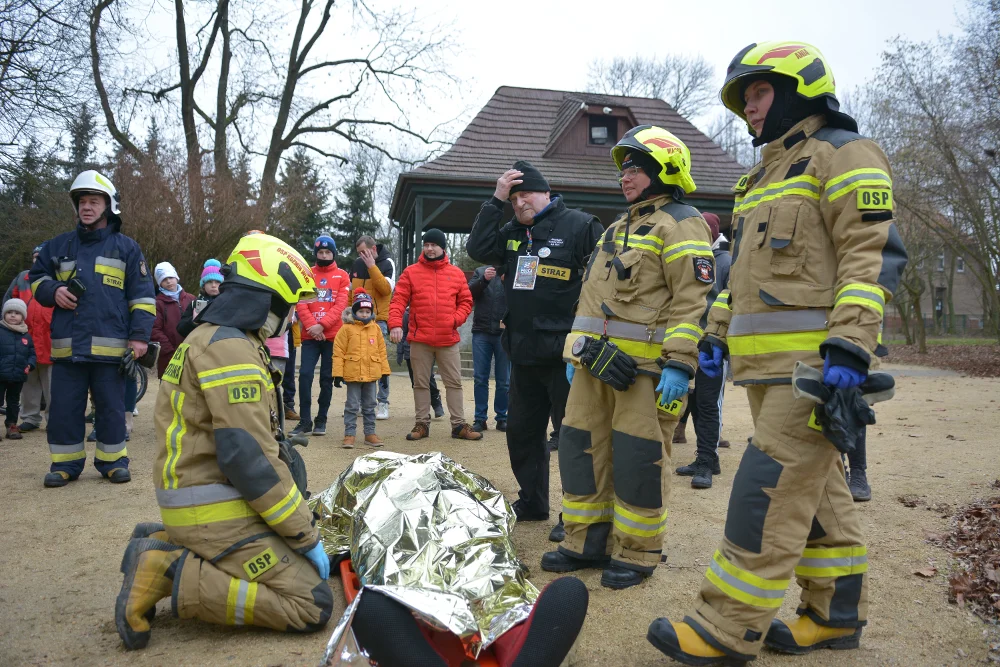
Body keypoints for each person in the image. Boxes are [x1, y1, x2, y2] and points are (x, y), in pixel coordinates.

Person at [647, 41, 908, 664]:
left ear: (799, 89)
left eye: (759, 93)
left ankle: (726, 626)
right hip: (763, 372)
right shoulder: (757, 177)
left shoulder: (846, 154)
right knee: (818, 497)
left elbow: (869, 259)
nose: (750, 109)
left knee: (766, 490)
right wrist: (715, 335)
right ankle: (834, 615)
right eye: (745, 99)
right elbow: (741, 277)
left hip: (817, 371)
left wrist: (849, 348)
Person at [114, 232, 331, 650]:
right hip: (214, 505)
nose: (291, 316)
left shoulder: (214, 336)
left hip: (197, 496)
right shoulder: (232, 347)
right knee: (311, 601)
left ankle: (167, 538)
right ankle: (168, 567)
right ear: (272, 299)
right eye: (290, 304)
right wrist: (305, 536)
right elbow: (248, 459)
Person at [538, 126, 713, 591]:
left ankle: (637, 552)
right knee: (581, 450)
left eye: (635, 167)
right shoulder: (618, 227)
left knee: (639, 461)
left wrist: (679, 363)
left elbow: (692, 300)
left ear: (665, 169)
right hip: (594, 366)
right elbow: (590, 300)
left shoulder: (682, 222)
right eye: (624, 169)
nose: (625, 176)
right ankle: (584, 542)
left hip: (646, 374)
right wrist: (574, 354)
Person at [466, 161, 603, 533]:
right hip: (523, 353)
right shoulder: (512, 232)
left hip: (566, 355)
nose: (519, 203)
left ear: (546, 193)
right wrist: (495, 200)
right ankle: (533, 501)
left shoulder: (579, 225)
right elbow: (477, 248)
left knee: (573, 437)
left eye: (525, 194)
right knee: (523, 434)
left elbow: (604, 284)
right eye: (513, 198)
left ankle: (575, 512)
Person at [29, 170, 155, 487]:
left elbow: (142, 297)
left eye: (93, 201)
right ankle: (65, 463)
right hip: (68, 347)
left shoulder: (127, 248)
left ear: (108, 205)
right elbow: (36, 280)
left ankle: (113, 461)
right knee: (64, 409)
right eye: (82, 201)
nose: (86, 207)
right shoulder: (57, 246)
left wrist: (139, 338)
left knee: (111, 409)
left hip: (111, 350)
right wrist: (53, 291)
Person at [388, 228, 481, 441]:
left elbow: (466, 302)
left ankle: (458, 425)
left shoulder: (456, 273)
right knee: (420, 383)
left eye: (434, 245)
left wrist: (454, 320)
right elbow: (399, 300)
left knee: (454, 383)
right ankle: (422, 424)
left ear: (442, 247)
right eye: (426, 245)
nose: (429, 249)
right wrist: (395, 324)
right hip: (420, 339)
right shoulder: (411, 272)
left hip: (448, 339)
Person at [673, 212, 733, 489]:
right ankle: (704, 458)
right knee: (694, 402)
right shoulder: (690, 257)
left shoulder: (725, 262)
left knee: (709, 403)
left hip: (712, 345)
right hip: (686, 341)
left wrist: (719, 340)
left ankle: (708, 462)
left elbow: (731, 301)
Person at [293, 234, 350, 436]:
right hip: (310, 336)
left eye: (327, 252)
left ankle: (321, 419)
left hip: (332, 335)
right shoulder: (306, 273)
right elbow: (300, 303)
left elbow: (341, 304)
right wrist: (312, 327)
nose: (324, 255)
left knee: (326, 378)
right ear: (316, 253)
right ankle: (305, 420)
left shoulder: (342, 275)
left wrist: (323, 326)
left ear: (333, 253)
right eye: (320, 252)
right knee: (306, 375)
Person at [334, 290, 391, 448]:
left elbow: (382, 351)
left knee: (370, 405)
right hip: (352, 374)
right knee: (352, 405)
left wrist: (385, 372)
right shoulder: (346, 329)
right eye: (361, 311)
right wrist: (337, 374)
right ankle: (349, 434)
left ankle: (370, 433)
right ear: (354, 311)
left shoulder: (376, 329)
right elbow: (338, 352)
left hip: (371, 374)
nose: (364, 314)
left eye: (367, 311)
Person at [7, 245, 54, 434]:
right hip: (26, 338)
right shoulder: (22, 278)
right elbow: (10, 301)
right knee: (28, 384)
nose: (37, 260)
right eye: (35, 256)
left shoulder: (57, 278)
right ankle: (30, 417)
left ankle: (54, 420)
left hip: (51, 339)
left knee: (53, 386)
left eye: (41, 257)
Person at [349, 235, 395, 420]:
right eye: (359, 253)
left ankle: (382, 403)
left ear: (373, 249)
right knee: (360, 361)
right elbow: (350, 292)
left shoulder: (387, 262)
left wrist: (371, 267)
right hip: (357, 320)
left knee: (379, 362)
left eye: (364, 252)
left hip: (379, 320)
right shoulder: (356, 264)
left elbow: (386, 290)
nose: (361, 256)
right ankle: (362, 403)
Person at [467, 264, 509, 433]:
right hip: (481, 331)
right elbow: (469, 293)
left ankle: (502, 418)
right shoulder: (480, 271)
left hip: (504, 332)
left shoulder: (512, 270)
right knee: (479, 378)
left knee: (504, 381)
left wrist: (508, 282)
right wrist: (484, 279)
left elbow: (523, 296)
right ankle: (480, 418)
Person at [397, 306, 445, 419]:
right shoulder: (406, 314)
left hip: (426, 349)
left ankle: (436, 403)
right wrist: (400, 353)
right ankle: (423, 410)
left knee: (428, 378)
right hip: (410, 351)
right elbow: (403, 334)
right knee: (415, 381)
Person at [151, 262, 195, 379]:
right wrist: (171, 351)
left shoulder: (191, 299)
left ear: (176, 277)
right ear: (160, 283)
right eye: (164, 279)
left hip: (193, 354)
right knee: (169, 392)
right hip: (169, 357)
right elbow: (155, 330)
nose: (169, 281)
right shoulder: (157, 303)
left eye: (170, 277)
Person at [0, 299, 36, 440]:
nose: (13, 315)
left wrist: (30, 364)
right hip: (1, 374)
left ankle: (12, 426)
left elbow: (32, 353)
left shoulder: (26, 335)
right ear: (4, 314)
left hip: (18, 375)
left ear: (23, 316)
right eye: (9, 312)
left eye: (17, 313)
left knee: (13, 402)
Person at [176, 259, 223, 337]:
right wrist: (193, 321)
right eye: (209, 282)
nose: (214, 285)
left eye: (217, 282)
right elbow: (180, 329)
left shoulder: (227, 302)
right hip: (200, 344)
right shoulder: (195, 304)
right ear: (203, 285)